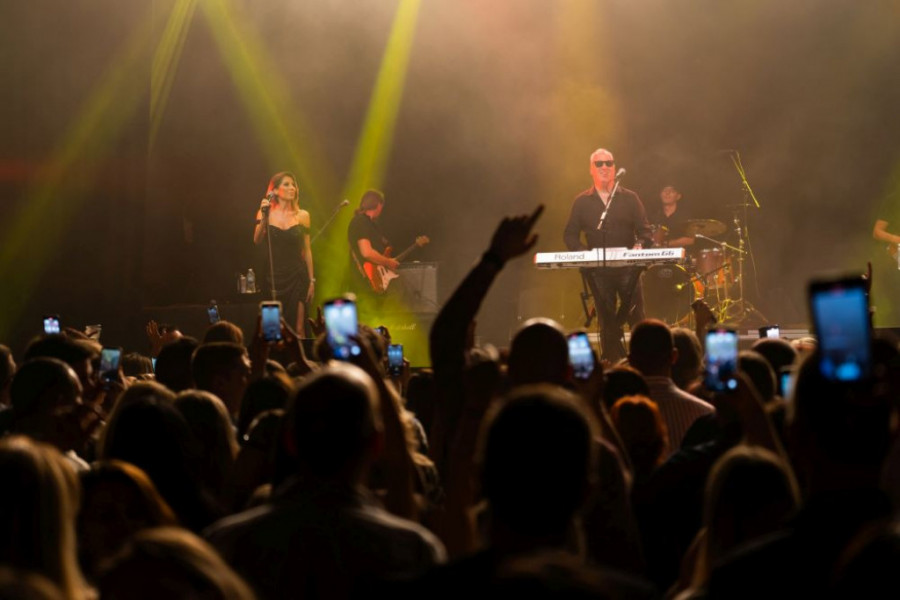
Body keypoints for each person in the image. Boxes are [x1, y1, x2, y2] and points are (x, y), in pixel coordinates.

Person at [564, 148, 652, 362]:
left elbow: (645, 231)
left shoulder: (630, 198)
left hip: (629, 268)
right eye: (599, 164)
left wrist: (639, 245)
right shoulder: (582, 201)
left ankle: (644, 363)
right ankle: (612, 364)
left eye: (609, 163)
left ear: (614, 168)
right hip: (598, 271)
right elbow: (570, 235)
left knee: (637, 317)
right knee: (606, 319)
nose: (604, 167)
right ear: (591, 169)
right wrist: (584, 254)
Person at [254, 171, 315, 335]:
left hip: (297, 276)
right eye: (286, 184)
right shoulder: (264, 213)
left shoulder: (302, 215)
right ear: (274, 190)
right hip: (272, 277)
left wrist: (311, 280)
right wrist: (265, 216)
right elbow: (257, 240)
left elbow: (307, 250)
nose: (292, 188)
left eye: (293, 184)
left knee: (299, 328)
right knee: (273, 329)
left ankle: (300, 353)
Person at [348, 189, 398, 296]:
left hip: (374, 281)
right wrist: (388, 262)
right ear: (378, 205)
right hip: (364, 280)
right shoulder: (361, 221)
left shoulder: (372, 225)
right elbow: (366, 252)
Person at [648, 185, 696, 250]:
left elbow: (690, 240)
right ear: (660, 195)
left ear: (678, 196)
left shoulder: (686, 216)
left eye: (672, 191)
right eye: (664, 190)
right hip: (657, 254)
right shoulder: (654, 216)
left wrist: (666, 244)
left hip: (680, 254)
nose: (667, 193)